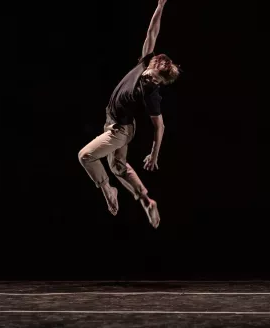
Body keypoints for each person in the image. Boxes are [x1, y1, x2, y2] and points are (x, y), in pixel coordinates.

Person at [78, 0, 180, 229]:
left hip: (120, 130)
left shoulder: (151, 93)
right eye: (154, 76)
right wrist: (160, 6)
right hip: (115, 123)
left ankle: (107, 188)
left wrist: (154, 155)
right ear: (151, 63)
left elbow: (159, 126)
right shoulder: (145, 61)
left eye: (159, 82)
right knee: (118, 167)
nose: (153, 81)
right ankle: (147, 201)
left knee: (86, 156)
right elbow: (152, 31)